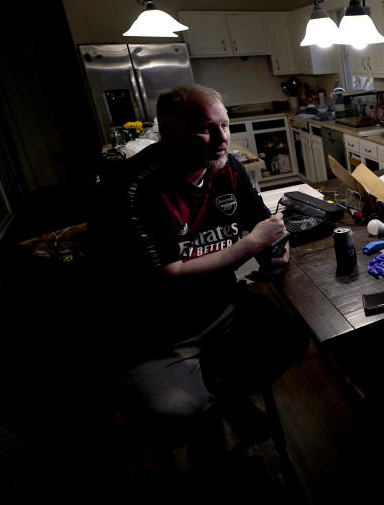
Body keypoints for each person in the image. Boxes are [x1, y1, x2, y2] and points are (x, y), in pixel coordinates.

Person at [86, 84, 303, 462]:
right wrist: (251, 245)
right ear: (168, 133)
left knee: (292, 338)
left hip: (221, 310)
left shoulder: (227, 168)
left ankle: (225, 403)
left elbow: (262, 223)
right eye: (205, 128)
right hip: (154, 334)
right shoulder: (134, 188)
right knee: (178, 413)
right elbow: (168, 273)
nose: (222, 139)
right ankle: (217, 429)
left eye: (225, 125)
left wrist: (276, 251)